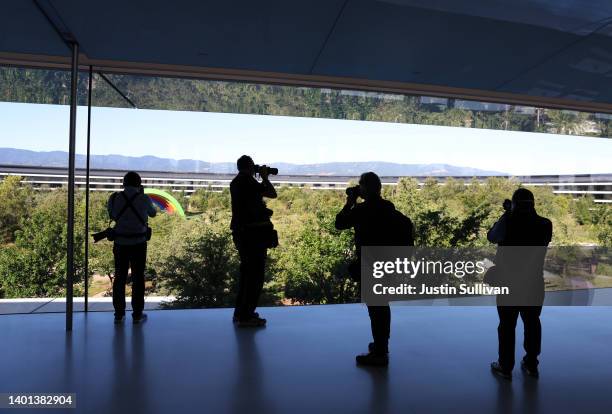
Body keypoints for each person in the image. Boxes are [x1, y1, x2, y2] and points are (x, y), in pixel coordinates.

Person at [335, 172, 414, 366]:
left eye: (360, 186)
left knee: (375, 308)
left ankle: (379, 353)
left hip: (370, 264)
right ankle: (381, 345)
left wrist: (350, 201)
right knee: (381, 306)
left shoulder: (362, 210)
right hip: (387, 265)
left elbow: (339, 223)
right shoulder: (388, 208)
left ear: (365, 188)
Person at [487, 188, 552, 380]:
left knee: (507, 326)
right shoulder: (545, 224)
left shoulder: (508, 221)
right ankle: (532, 364)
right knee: (532, 323)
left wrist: (507, 214)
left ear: (514, 204)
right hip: (533, 283)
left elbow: (492, 237)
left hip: (509, 283)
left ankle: (505, 367)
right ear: (533, 204)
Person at [231, 155, 277, 327]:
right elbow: (272, 193)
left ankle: (241, 312)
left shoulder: (237, 182)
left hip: (243, 234)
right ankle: (246, 315)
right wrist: (264, 177)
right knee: (255, 276)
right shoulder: (247, 182)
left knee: (246, 275)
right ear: (250, 167)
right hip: (253, 235)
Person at [107, 171, 156, 324]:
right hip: (139, 243)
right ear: (139, 184)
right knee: (138, 278)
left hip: (120, 243)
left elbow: (112, 215)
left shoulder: (114, 198)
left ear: (123, 183)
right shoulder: (144, 198)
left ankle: (119, 314)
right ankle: (137, 314)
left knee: (119, 277)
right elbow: (153, 213)